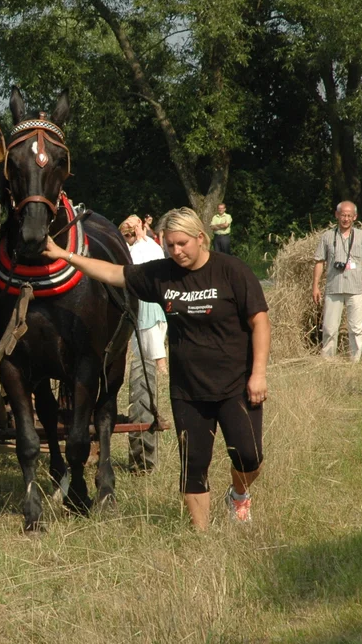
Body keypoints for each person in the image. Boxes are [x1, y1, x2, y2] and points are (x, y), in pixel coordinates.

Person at [45, 207, 269, 530]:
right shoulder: (162, 274)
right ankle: (202, 538)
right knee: (193, 467)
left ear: (201, 238)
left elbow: (259, 320)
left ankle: (237, 494)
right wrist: (65, 255)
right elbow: (113, 273)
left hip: (236, 384)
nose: (176, 252)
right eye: (170, 245)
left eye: (182, 244)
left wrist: (258, 373)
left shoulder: (231, 271)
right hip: (187, 390)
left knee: (249, 456)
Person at [119, 216, 169, 473]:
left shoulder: (138, 250)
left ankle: (160, 371)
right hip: (156, 301)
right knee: (152, 346)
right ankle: (159, 370)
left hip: (146, 302)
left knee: (150, 350)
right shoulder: (152, 246)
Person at [311, 201, 362, 362]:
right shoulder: (327, 236)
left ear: (354, 217)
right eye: (343, 215)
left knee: (356, 328)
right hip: (334, 287)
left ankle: (355, 360)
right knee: (329, 327)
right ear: (337, 215)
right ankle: (328, 360)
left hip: (356, 288)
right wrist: (315, 286)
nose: (345, 219)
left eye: (349, 216)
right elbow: (319, 261)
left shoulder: (361, 236)